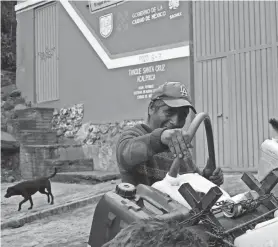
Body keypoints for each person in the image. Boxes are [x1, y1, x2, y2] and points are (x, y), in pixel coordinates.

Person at [116, 81, 224, 186]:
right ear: (151, 108)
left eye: (183, 116)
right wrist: (160, 137)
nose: (176, 122)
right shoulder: (134, 135)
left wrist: (207, 179)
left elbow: (192, 185)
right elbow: (125, 153)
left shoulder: (181, 149)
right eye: (169, 112)